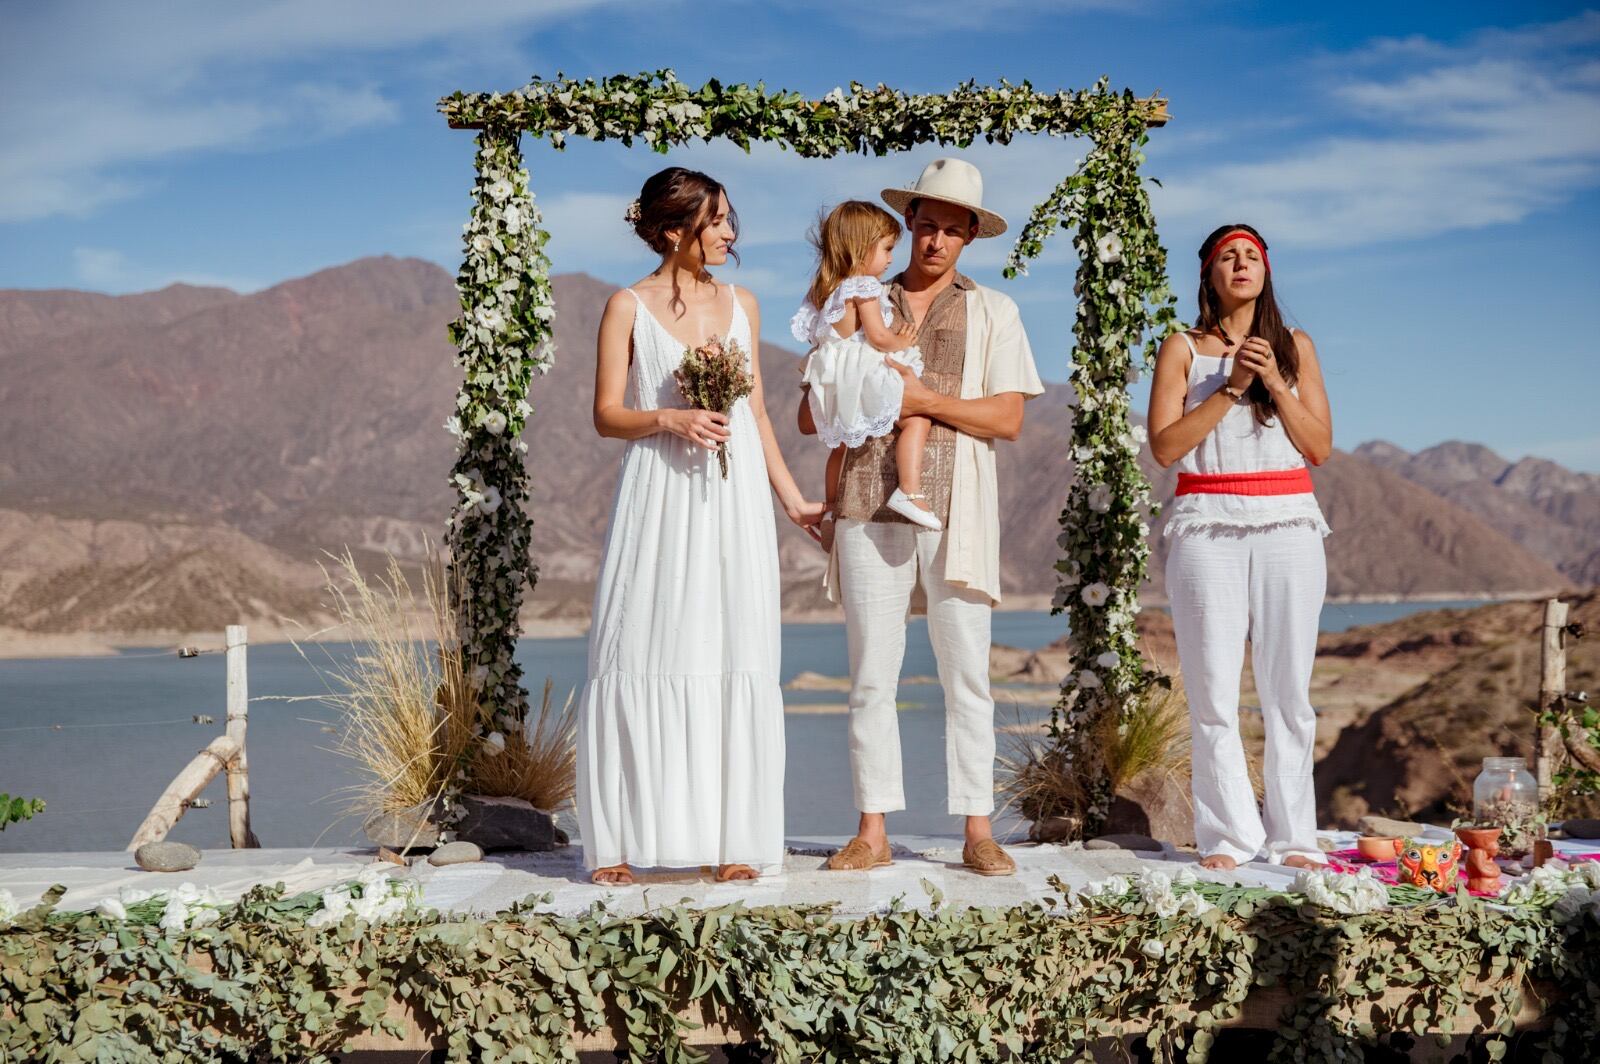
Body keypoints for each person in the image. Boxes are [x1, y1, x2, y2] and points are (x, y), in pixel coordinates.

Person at [578, 167, 825, 885]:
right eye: (716, 222)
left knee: (732, 646)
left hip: (734, 502)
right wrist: (670, 416)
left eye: (728, 221)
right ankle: (619, 842)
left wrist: (792, 501)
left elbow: (758, 417)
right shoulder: (626, 306)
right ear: (672, 229)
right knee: (641, 643)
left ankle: (734, 841)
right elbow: (604, 415)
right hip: (660, 494)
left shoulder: (742, 302)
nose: (730, 234)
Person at [800, 158, 1043, 877]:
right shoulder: (858, 298)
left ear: (972, 235)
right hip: (867, 503)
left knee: (967, 673)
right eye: (926, 225)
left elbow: (1008, 418)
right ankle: (871, 830)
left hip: (958, 509)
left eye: (951, 230)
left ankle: (977, 830)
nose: (935, 240)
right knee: (871, 671)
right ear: (908, 225)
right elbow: (811, 410)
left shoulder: (995, 312)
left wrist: (922, 402)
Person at [1146, 223, 1333, 871]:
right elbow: (1165, 448)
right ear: (1208, 273)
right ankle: (1227, 836)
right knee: (1213, 689)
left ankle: (1293, 839)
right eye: (1228, 256)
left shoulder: (1296, 346)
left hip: (1289, 525)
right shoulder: (1181, 349)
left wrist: (1273, 383)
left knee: (1288, 692)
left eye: (1252, 255)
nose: (1241, 264)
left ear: (1266, 271)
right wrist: (1228, 388)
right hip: (1205, 524)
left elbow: (1319, 447)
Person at [791, 201, 938, 541]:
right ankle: (910, 490)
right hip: (864, 371)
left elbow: (821, 337)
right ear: (861, 247)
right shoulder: (864, 286)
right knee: (917, 419)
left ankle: (830, 505)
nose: (890, 259)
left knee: (839, 448)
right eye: (886, 249)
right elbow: (877, 336)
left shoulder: (822, 289)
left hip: (832, 376)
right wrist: (900, 341)